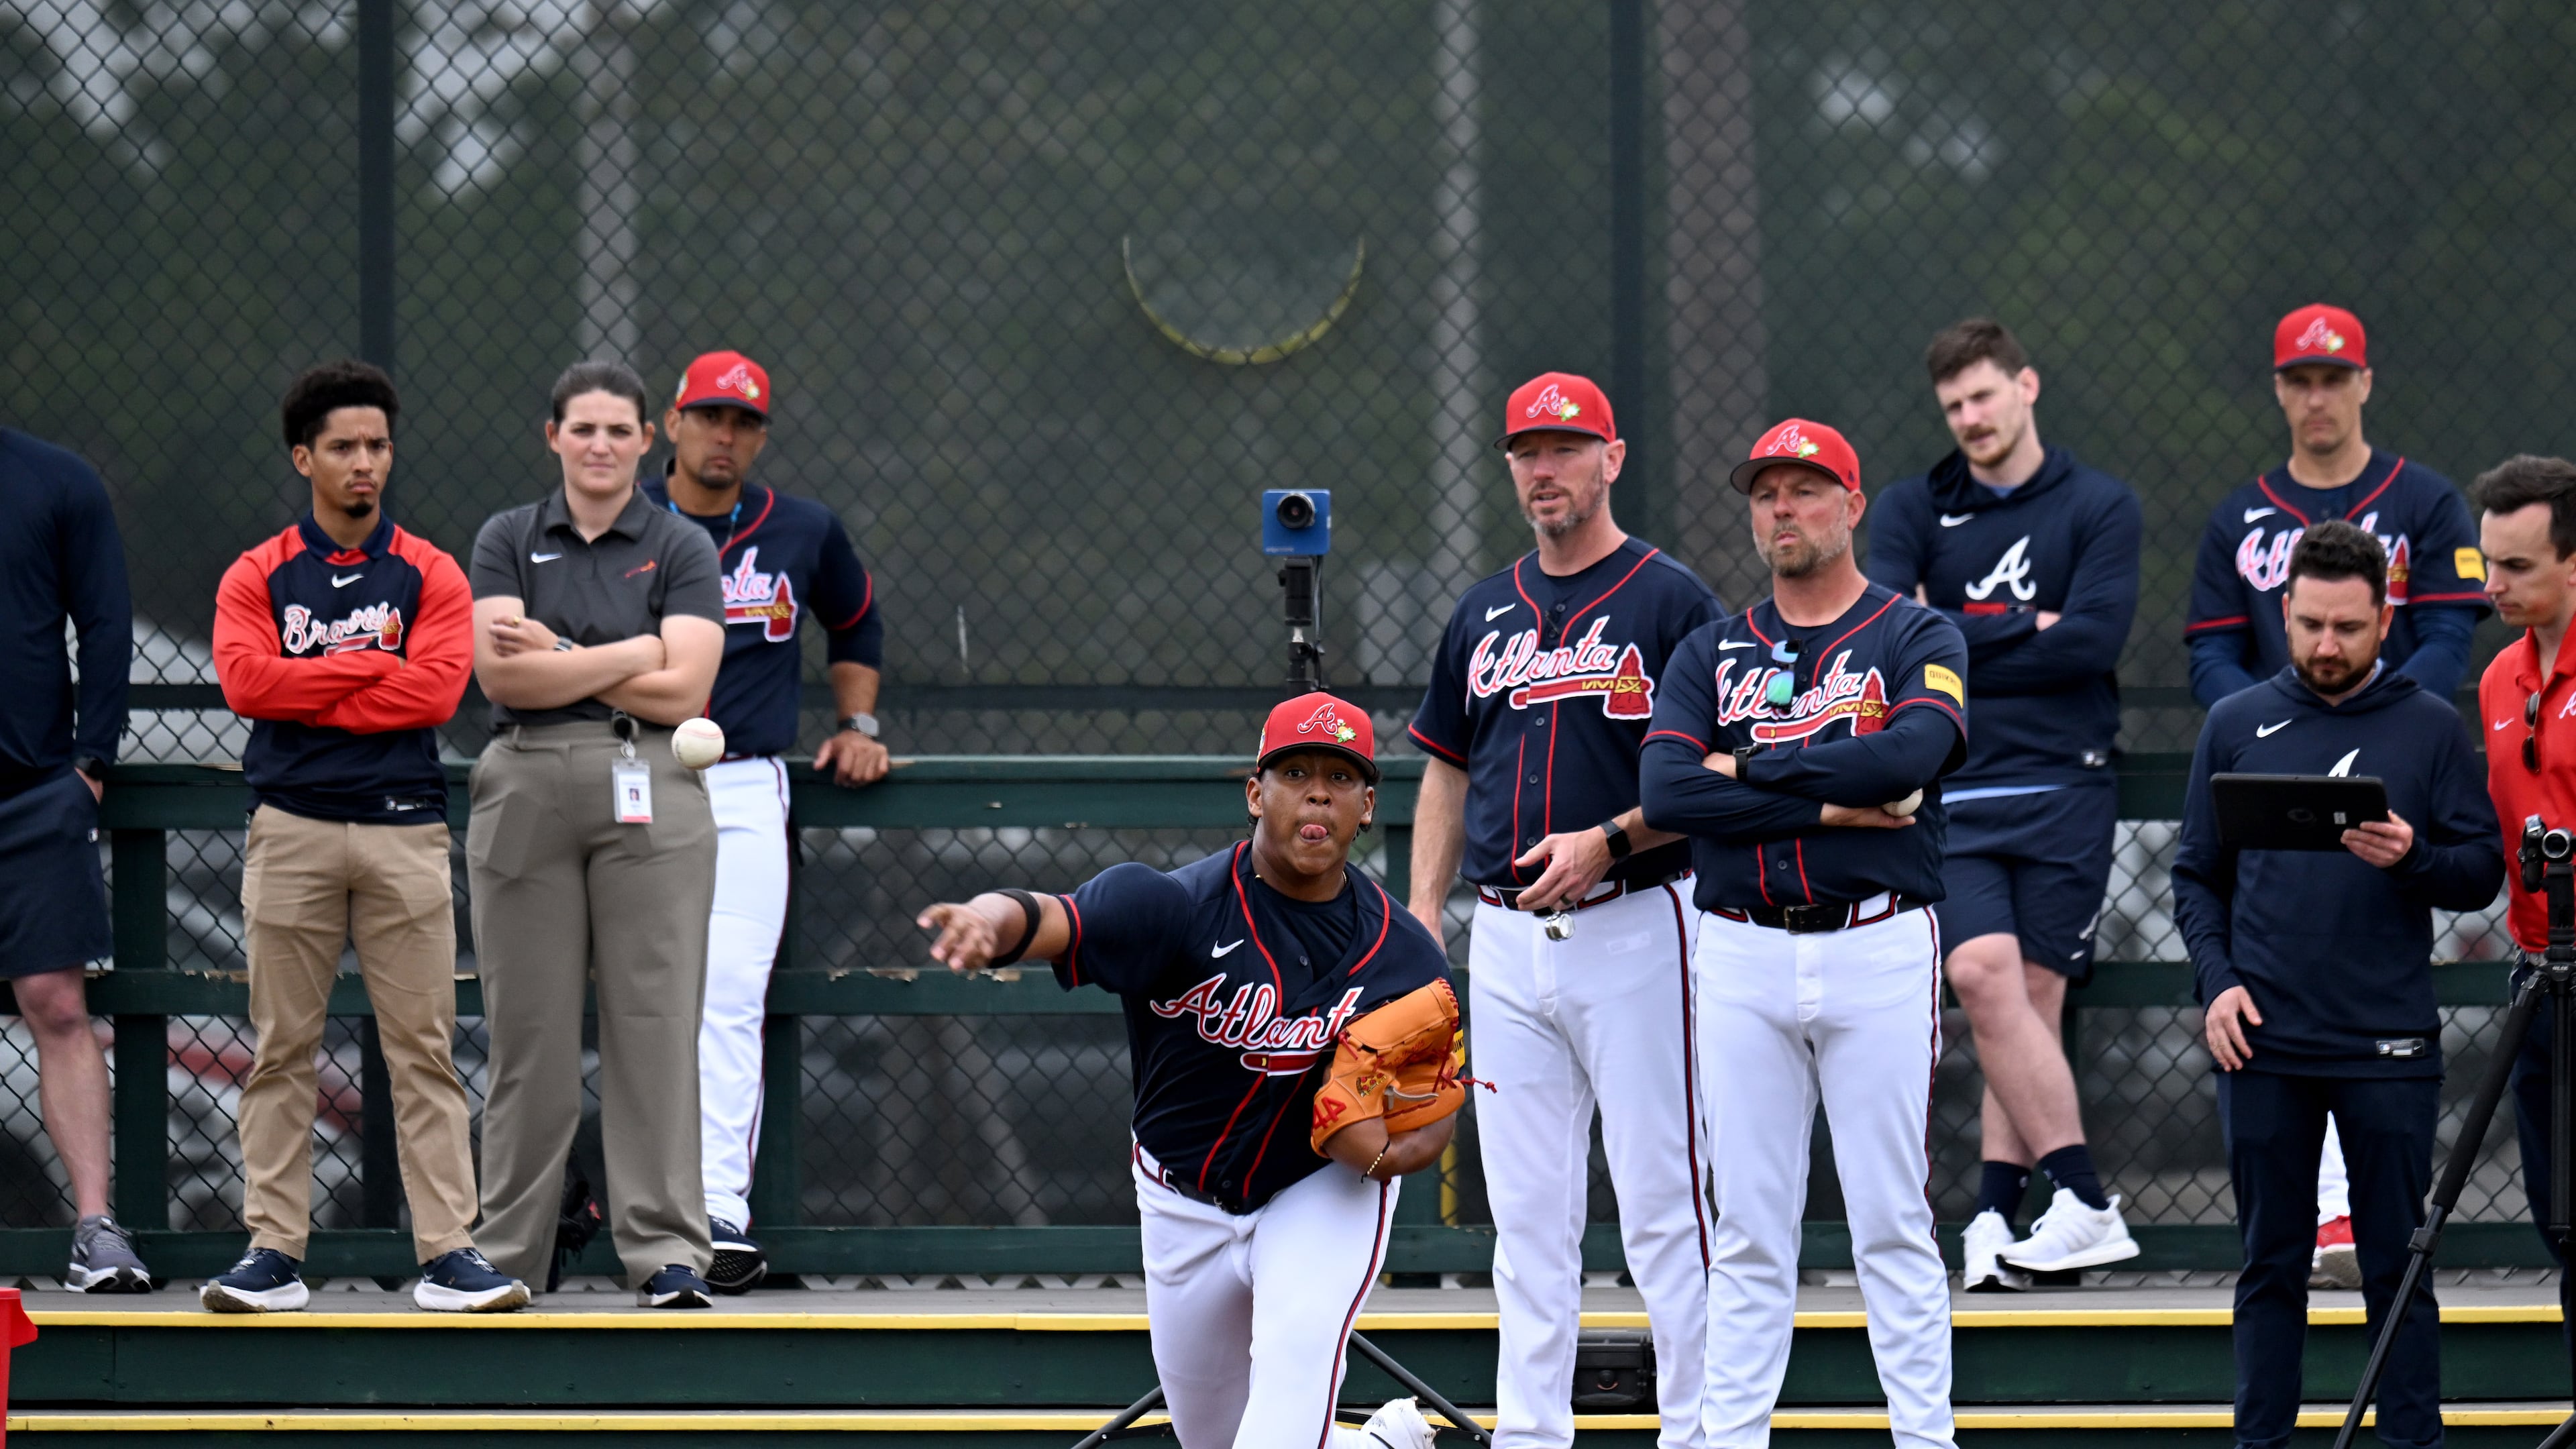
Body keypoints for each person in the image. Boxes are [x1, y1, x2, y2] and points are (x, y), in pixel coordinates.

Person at [917, 692, 1451, 1449]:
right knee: (1213, 1439)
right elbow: (1053, 917)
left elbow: (1434, 1117)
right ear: (1255, 794)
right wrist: (989, 920)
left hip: (1320, 1187)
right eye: (1296, 771)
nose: (1319, 793)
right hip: (1181, 1199)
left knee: (1284, 1402)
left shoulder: (1406, 958)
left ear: (1368, 805)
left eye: (1341, 777)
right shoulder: (1174, 908)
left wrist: (1399, 1147)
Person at [1406, 372, 1723, 1449]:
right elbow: (1445, 769)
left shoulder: (1671, 600)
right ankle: (1533, 1436)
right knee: (1528, 1224)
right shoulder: (1482, 609)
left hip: (1639, 924)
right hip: (1501, 941)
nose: (1544, 469)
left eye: (1565, 448)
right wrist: (1420, 915)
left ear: (1612, 459)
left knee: (1664, 1210)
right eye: (1526, 452)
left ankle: (1697, 1433)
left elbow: (1716, 770)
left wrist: (1614, 837)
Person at [1641, 419, 1968, 1449]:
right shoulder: (1712, 648)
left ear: (1853, 504)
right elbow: (1665, 790)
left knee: (1892, 1224)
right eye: (1767, 492)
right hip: (1736, 946)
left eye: (1806, 489)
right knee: (1747, 1235)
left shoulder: (1917, 635)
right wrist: (1826, 800)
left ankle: (1926, 1440)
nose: (1782, 508)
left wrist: (1748, 770)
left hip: (1876, 942)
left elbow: (1910, 761)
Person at [204, 362, 526, 1313]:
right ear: (304, 456)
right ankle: (273, 1253)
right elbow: (247, 686)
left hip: (403, 833)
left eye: (377, 446)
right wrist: (369, 666)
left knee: (421, 1049)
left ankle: (448, 1255)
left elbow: (433, 693)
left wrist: (319, 681)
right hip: (293, 832)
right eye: (342, 447)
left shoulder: (430, 571)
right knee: (281, 1049)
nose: (364, 464)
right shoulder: (257, 572)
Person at [2172, 520, 2500, 1449]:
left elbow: (2478, 871)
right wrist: (2218, 985)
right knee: (2270, 1269)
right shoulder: (2236, 723)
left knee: (2399, 1273)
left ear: (2385, 617)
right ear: (2284, 611)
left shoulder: (2431, 727)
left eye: (2348, 628)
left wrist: (2413, 857)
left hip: (2389, 1047)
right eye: (2309, 624)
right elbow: (2196, 874)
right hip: (2264, 1042)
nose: (2325, 646)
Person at [2183, 302, 2491, 1288]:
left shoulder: (2428, 499)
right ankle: (2318, 1228)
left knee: (2354, 971)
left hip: (2387, 757)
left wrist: (2391, 719)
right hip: (2271, 760)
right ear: (2279, 390)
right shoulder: (2242, 512)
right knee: (2277, 982)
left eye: (2334, 375)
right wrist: (2272, 732)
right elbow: (2210, 648)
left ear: (2364, 381)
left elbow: (2449, 630)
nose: (2317, 395)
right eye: (2299, 379)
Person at [1865, 319, 2143, 1289]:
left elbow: (2094, 642)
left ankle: (1994, 1220)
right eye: (1953, 407)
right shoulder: (1910, 510)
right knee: (1983, 975)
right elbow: (1896, 642)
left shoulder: (2101, 506)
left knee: (2026, 1004)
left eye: (1984, 396)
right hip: (1957, 786)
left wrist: (1963, 638)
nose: (1971, 419)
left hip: (2068, 779)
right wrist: (2031, 623)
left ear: (2026, 386)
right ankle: (2088, 1199)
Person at [466, 360, 727, 1308]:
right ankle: (508, 1256)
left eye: (620, 430)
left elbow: (687, 688)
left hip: (652, 781)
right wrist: (634, 653)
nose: (602, 445)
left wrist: (565, 653)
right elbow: (504, 679)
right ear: (554, 437)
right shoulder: (506, 538)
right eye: (584, 429)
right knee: (527, 1033)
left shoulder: (683, 544)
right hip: (524, 780)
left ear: (647, 439)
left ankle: (664, 1253)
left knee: (653, 1027)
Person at [640, 350, 887, 1293]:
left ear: (760, 436)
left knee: (730, 996)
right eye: (709, 416)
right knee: (624, 1000)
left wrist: (857, 723)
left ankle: (716, 1212)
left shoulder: (802, 529)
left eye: (742, 422)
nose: (724, 435)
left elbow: (855, 622)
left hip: (745, 782)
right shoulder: (623, 526)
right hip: (633, 771)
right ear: (673, 422)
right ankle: (616, 1209)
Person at [0, 427, 147, 1292]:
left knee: (57, 1004)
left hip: (33, 797)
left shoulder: (59, 479)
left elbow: (103, 617)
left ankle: (96, 1229)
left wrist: (91, 764)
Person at [2469, 454, 2576, 1272]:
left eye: (2516, 566)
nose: (2493, 584)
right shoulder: (2501, 676)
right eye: (2487, 563)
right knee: (2559, 1212)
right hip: (2537, 977)